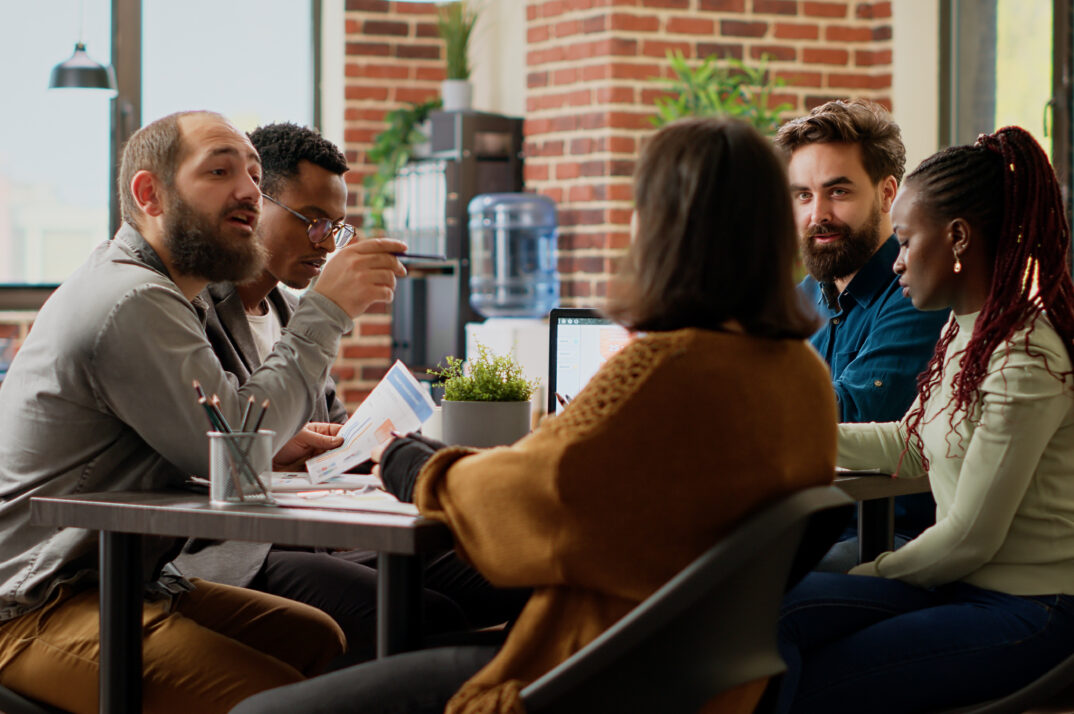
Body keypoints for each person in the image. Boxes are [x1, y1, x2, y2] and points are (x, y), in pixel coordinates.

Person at [231, 116, 838, 714]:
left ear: (660, 228)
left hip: (586, 680)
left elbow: (537, 505)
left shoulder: (662, 371)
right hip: (695, 682)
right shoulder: (802, 376)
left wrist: (422, 469)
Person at [0, 110, 411, 714]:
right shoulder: (131, 299)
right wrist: (326, 311)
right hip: (32, 601)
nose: (248, 190)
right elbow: (236, 428)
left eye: (252, 172)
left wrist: (276, 446)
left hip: (116, 581)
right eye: (220, 171)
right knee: (287, 701)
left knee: (317, 636)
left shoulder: (164, 294)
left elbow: (216, 443)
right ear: (150, 194)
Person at [173, 122, 524, 663]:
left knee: (506, 573)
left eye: (335, 228)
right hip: (236, 550)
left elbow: (330, 435)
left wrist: (371, 446)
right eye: (312, 221)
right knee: (431, 615)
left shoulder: (291, 312)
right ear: (254, 202)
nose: (325, 244)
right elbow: (214, 443)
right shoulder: (194, 312)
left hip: (312, 533)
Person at [775, 126, 1074, 714]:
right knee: (766, 613)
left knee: (805, 670)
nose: (900, 260)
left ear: (958, 238)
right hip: (962, 585)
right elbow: (911, 443)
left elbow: (969, 537)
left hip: (1027, 606)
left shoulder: (1023, 357)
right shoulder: (966, 328)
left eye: (908, 242)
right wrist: (782, 436)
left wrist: (870, 572)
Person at [774, 99, 950, 570]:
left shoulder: (918, 293)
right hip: (802, 520)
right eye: (803, 196)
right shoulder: (797, 301)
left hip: (888, 533)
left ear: (887, 192)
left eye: (838, 192)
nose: (818, 215)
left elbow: (858, 411)